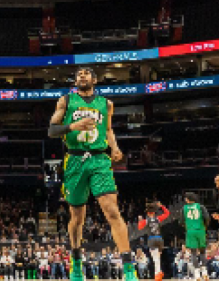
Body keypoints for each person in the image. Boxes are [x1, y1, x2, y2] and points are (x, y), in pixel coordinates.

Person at [48, 67, 138, 281]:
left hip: (99, 159)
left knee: (112, 210)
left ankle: (129, 269)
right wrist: (72, 126)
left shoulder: (106, 104)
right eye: (78, 74)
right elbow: (52, 130)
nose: (82, 76)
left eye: (86, 74)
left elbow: (108, 130)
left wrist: (115, 148)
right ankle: (76, 263)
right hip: (75, 160)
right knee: (77, 217)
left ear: (94, 80)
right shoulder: (66, 101)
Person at [135, 201, 171, 281]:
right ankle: (159, 272)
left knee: (155, 259)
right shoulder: (158, 219)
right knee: (158, 257)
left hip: (152, 240)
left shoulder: (146, 221)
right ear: (154, 212)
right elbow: (167, 213)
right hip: (160, 239)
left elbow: (139, 227)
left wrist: (140, 220)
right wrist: (161, 206)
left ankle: (157, 274)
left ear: (147, 213)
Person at [182, 192, 211, 280]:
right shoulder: (201, 207)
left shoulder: (184, 208)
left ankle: (197, 274)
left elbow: (181, 221)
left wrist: (188, 226)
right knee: (202, 252)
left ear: (187, 199)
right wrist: (205, 227)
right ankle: (205, 272)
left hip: (190, 231)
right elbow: (207, 218)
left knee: (193, 253)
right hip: (201, 230)